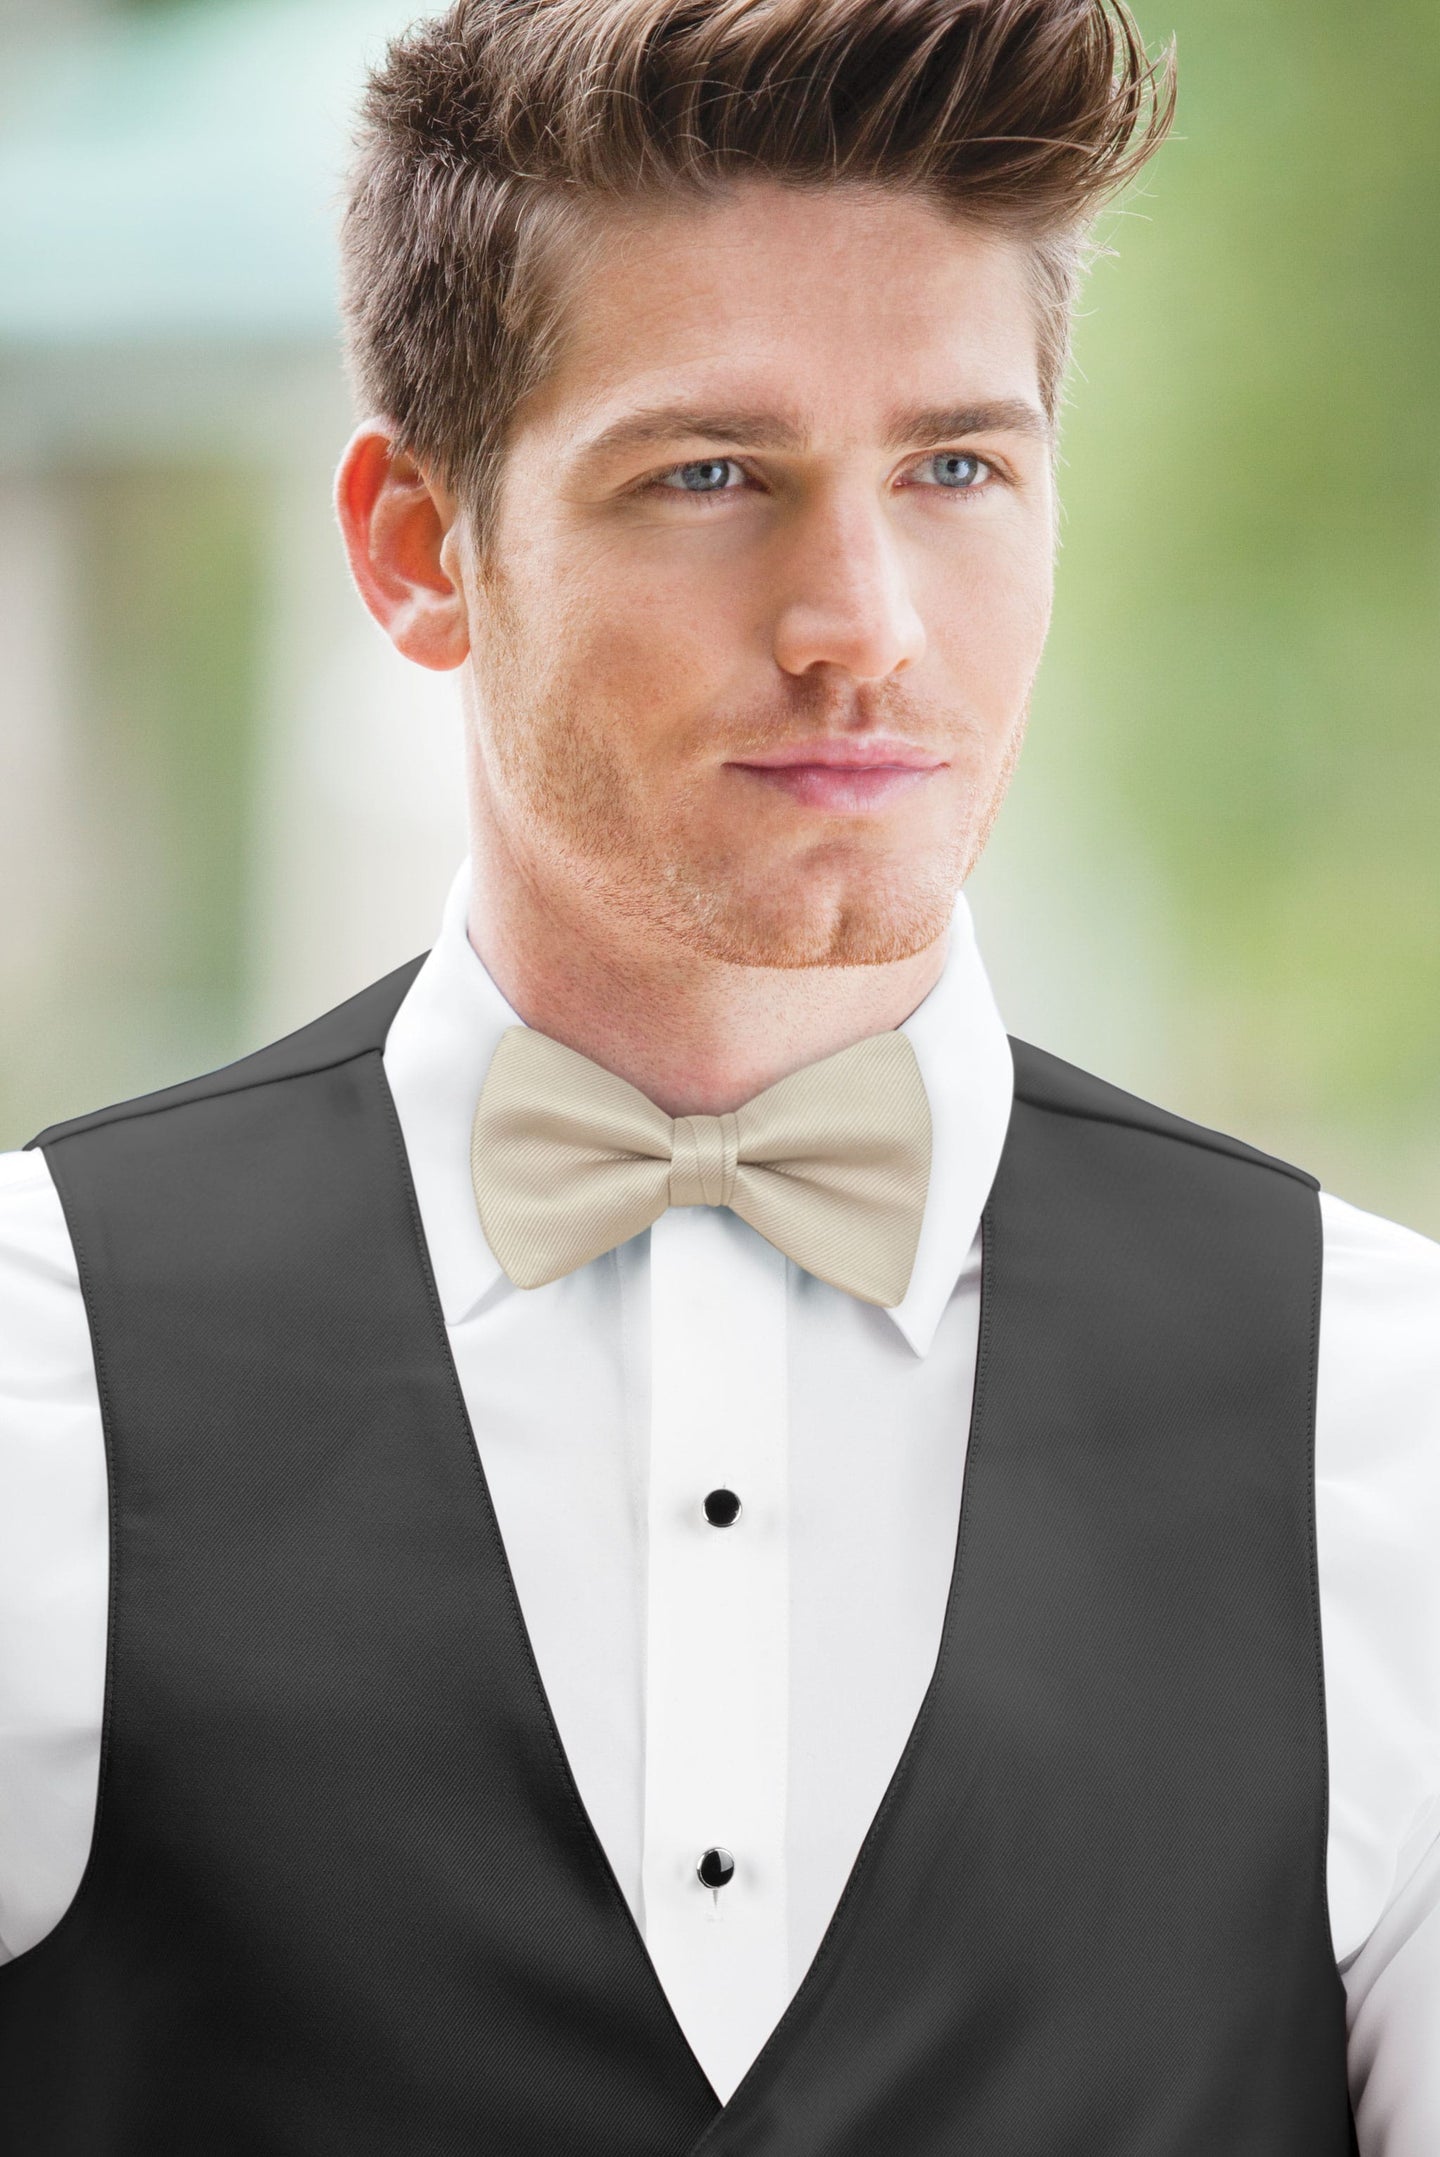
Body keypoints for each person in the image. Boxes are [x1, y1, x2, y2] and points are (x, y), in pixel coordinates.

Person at [0, 0, 1435, 2146]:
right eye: (709, 475)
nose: (861, 617)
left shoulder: (1393, 1416)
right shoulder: (31, 1370)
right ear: (416, 546)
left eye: (956, 466)